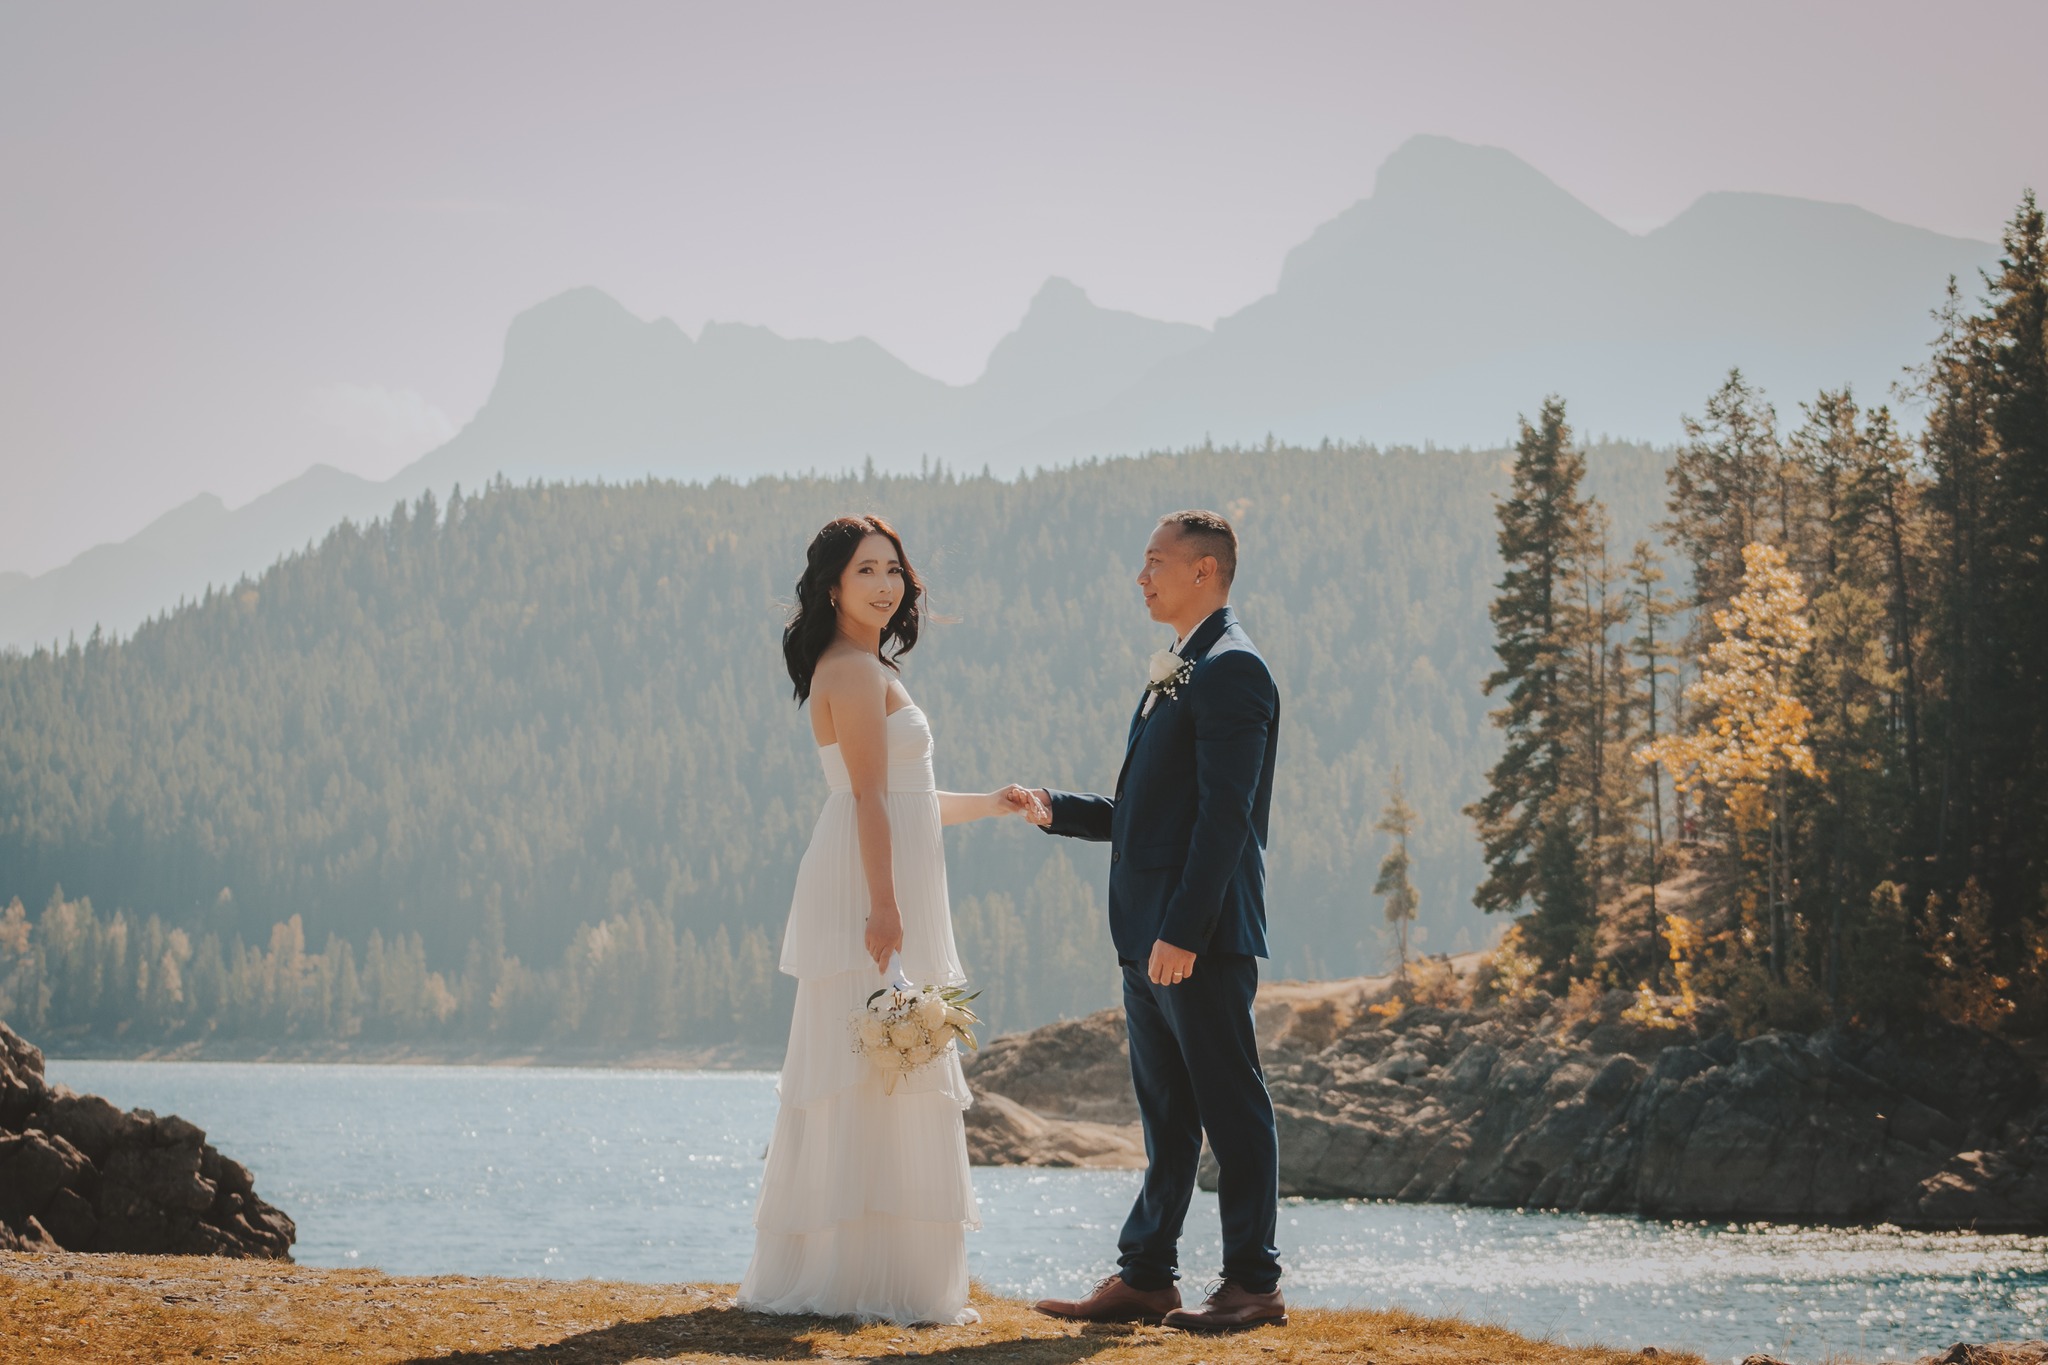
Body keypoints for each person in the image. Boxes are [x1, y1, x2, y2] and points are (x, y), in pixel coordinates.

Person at [739, 514, 1042, 1326]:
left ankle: (891, 1275)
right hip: (868, 878)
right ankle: (848, 1276)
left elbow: (906, 799)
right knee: (863, 1062)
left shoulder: (870, 666)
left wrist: (993, 803)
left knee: (892, 1064)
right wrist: (883, 904)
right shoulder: (848, 670)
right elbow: (869, 798)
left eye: (893, 569)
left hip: (888, 865)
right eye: (867, 569)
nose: (885, 583)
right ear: (832, 585)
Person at [1024, 508, 1285, 1332]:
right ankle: (1146, 1277)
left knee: (1231, 1108)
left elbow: (1224, 819)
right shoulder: (1181, 669)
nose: (1141, 577)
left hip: (1193, 939)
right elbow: (1147, 812)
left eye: (1154, 562)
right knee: (1167, 1118)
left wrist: (1182, 930)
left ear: (1204, 570)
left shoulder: (1233, 670)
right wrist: (1055, 809)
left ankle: (1253, 1283)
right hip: (1148, 938)